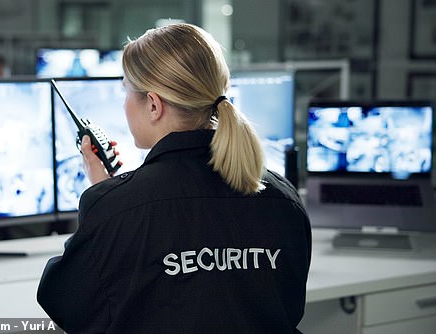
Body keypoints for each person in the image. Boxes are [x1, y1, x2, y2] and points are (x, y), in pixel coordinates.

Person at [37, 23, 312, 333]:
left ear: (154, 105)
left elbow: (67, 306)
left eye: (125, 89)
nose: (124, 104)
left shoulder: (115, 209)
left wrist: (106, 202)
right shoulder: (283, 198)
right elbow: (288, 307)